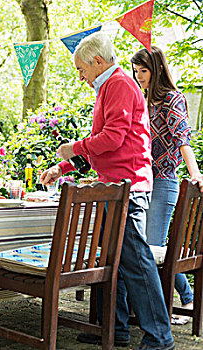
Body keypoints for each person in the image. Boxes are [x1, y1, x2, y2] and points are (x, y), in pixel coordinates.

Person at [40, 33, 175, 350]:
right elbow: (102, 146)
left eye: (81, 69)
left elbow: (111, 139)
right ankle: (115, 329)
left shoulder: (117, 85)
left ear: (97, 62)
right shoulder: (111, 87)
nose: (80, 76)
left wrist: (71, 149)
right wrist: (64, 167)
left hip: (127, 186)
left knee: (135, 263)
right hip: (115, 186)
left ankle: (160, 337)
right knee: (111, 261)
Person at [131, 46, 203, 324]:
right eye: (136, 71)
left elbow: (183, 138)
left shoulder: (173, 99)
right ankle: (177, 302)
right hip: (141, 182)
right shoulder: (141, 99)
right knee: (149, 249)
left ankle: (172, 308)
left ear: (157, 69)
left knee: (155, 249)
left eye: (144, 71)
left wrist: (195, 172)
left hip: (164, 182)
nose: (139, 77)